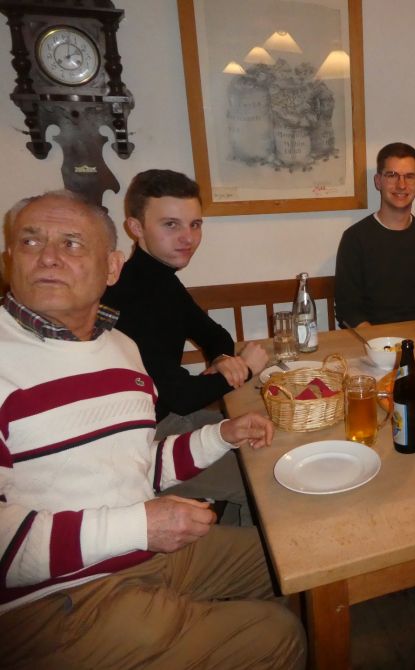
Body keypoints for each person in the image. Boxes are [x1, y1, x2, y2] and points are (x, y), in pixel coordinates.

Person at [0, 190, 306, 668]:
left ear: (111, 267)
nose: (50, 257)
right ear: (9, 259)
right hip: (59, 600)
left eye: (73, 243)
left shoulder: (119, 347)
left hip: (142, 550)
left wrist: (220, 436)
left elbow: (140, 462)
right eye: (30, 242)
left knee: (293, 558)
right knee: (277, 634)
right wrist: (140, 524)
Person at [103, 170, 267, 525]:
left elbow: (214, 334)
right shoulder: (130, 294)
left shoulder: (161, 281)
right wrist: (246, 369)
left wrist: (224, 359)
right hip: (142, 448)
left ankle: (238, 529)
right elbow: (177, 395)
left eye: (195, 225)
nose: (188, 238)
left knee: (270, 433)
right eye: (171, 225)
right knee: (266, 478)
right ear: (135, 227)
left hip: (170, 419)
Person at [335, 142, 415, 327]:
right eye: (392, 175)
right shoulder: (355, 238)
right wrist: (378, 347)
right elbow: (349, 309)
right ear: (378, 181)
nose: (401, 185)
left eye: (409, 176)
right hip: (372, 342)